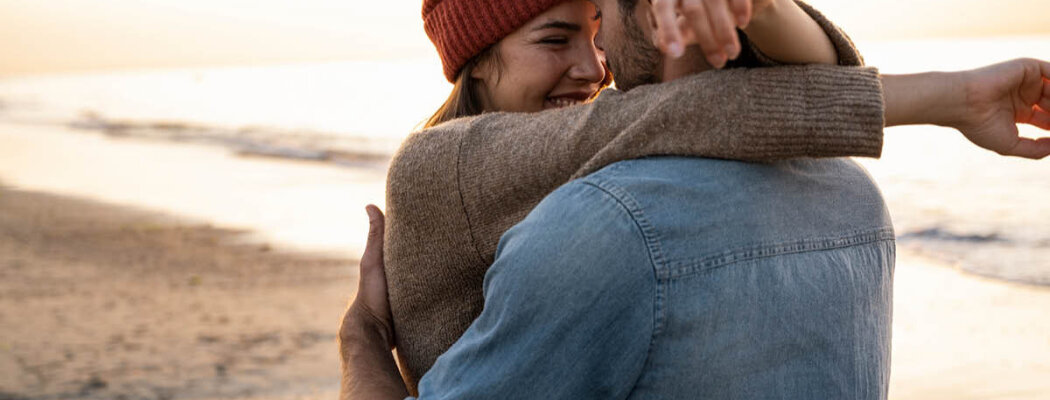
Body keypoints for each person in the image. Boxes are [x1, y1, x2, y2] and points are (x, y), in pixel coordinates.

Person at [341, 0, 1050, 398]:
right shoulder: (441, 164)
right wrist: (360, 340)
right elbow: (691, 110)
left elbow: (747, 90)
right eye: (554, 40)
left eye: (594, 32)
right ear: (474, 62)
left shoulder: (598, 169)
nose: (594, 68)